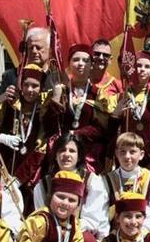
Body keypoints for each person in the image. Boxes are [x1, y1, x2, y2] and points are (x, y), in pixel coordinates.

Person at [45, 44, 109, 172]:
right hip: (62, 153)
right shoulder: (60, 91)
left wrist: (76, 134)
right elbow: (49, 125)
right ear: (69, 64)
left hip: (89, 156)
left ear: (92, 65)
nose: (81, 64)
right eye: (76, 60)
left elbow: (101, 128)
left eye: (86, 60)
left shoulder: (98, 93)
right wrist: (56, 96)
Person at [0, 63, 50, 196]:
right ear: (20, 86)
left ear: (41, 88)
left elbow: (41, 149)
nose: (30, 90)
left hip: (29, 173)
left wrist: (18, 179)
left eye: (35, 86)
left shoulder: (44, 111)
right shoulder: (9, 106)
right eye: (26, 85)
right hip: (4, 166)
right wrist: (1, 138)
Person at [105, 51, 150, 165]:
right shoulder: (119, 98)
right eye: (138, 65)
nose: (142, 69)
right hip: (122, 161)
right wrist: (115, 115)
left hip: (148, 162)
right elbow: (109, 133)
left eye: (147, 66)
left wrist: (142, 155)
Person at [98, 131, 150, 231]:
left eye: (132, 152)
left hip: (143, 230)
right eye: (123, 151)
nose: (127, 156)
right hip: (115, 233)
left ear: (141, 154)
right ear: (116, 153)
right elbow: (101, 213)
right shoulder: (106, 180)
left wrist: (140, 231)